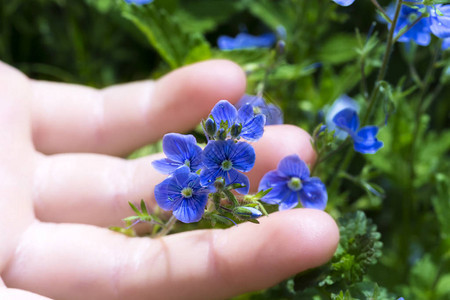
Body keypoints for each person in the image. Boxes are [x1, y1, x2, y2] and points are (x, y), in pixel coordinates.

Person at [0, 59, 339, 299]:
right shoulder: (196, 169)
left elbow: (230, 163)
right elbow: (195, 172)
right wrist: (198, 178)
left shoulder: (227, 159)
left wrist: (216, 176)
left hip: (210, 174)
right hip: (194, 180)